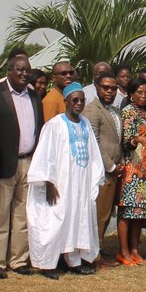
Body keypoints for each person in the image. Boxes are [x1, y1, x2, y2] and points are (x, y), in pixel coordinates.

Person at [26, 82, 104, 279]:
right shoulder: (54, 125)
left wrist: (94, 180)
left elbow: (94, 154)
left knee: (78, 221)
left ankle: (75, 261)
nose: (79, 104)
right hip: (60, 183)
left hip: (81, 183)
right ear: (66, 101)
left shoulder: (85, 123)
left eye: (82, 100)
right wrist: (48, 183)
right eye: (75, 100)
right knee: (55, 222)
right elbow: (45, 155)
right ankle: (47, 264)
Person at [0, 54, 44, 278]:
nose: (24, 74)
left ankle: (18, 260)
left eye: (27, 70)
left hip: (28, 162)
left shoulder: (34, 96)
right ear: (9, 70)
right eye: (20, 70)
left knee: (21, 215)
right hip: (2, 162)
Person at [81, 72, 124, 261]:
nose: (109, 91)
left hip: (115, 171)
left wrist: (120, 164)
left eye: (113, 88)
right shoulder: (92, 110)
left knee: (106, 214)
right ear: (97, 88)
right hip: (102, 172)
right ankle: (93, 255)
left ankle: (99, 247)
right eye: (105, 87)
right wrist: (111, 167)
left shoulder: (115, 111)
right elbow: (95, 143)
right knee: (98, 215)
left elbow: (117, 141)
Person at [116, 77, 146, 266]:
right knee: (127, 212)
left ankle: (134, 249)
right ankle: (123, 251)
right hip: (132, 169)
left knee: (139, 212)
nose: (143, 95)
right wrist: (138, 139)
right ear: (131, 94)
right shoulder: (128, 112)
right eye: (139, 92)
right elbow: (125, 141)